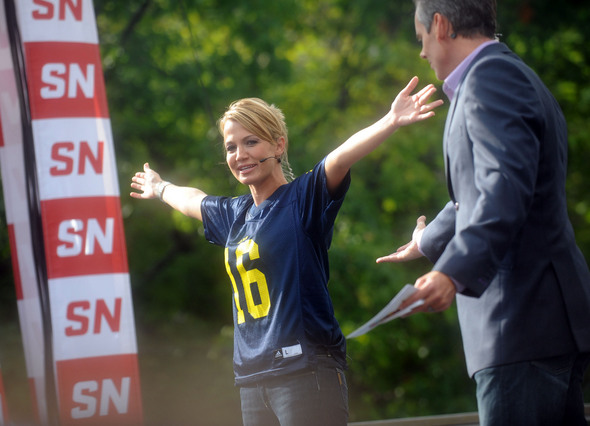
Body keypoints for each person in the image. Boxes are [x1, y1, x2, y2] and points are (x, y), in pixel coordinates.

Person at [130, 77, 442, 426]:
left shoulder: (302, 199)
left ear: (279, 145)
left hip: (306, 372)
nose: (240, 154)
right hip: (253, 380)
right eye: (231, 147)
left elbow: (340, 158)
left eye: (251, 142)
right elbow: (193, 200)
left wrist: (391, 120)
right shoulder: (235, 215)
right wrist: (160, 187)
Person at [376, 1, 590, 425]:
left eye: (421, 38)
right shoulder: (509, 73)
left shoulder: (490, 80)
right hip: (542, 323)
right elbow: (482, 191)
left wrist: (451, 273)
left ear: (440, 25)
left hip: (518, 321)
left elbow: (504, 189)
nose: (422, 52)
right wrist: (427, 240)